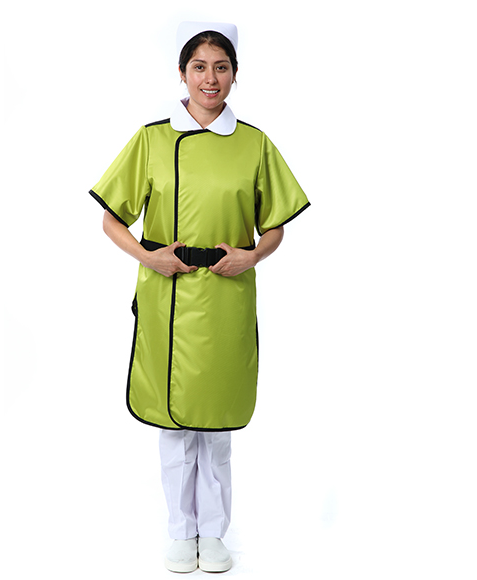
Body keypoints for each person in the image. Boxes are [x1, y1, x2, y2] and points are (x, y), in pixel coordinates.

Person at [88, 21, 310, 573]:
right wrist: (149, 257)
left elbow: (276, 226)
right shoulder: (152, 139)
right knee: (173, 426)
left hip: (227, 297)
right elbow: (112, 219)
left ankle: (213, 534)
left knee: (216, 425)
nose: (210, 78)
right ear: (182, 73)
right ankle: (178, 532)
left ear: (235, 74)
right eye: (200, 67)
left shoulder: (254, 143)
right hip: (167, 293)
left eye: (221, 67)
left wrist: (252, 256)